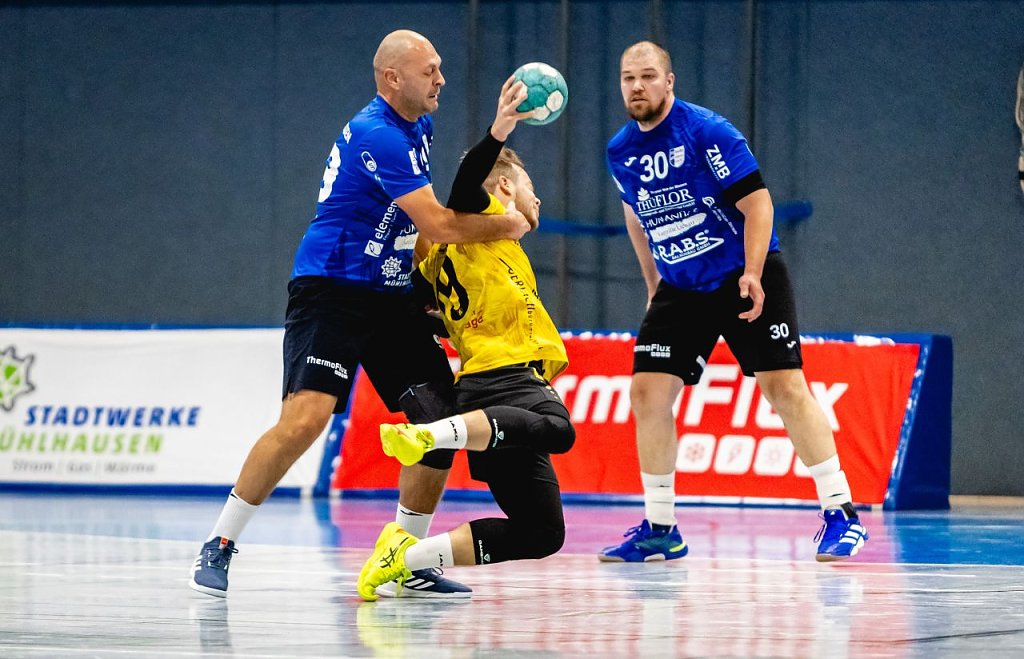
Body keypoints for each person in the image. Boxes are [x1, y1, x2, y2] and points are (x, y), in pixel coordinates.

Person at [188, 29, 534, 599]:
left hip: (390, 296)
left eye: (440, 67)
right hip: (333, 290)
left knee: (438, 422)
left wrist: (426, 284)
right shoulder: (380, 134)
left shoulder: (418, 127)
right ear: (392, 78)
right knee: (305, 419)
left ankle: (405, 560)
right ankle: (219, 542)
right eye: (429, 70)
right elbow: (438, 223)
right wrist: (507, 225)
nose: (441, 79)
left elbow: (410, 226)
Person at [600, 41, 869, 563]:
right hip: (681, 285)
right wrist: (653, 285)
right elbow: (638, 216)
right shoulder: (620, 150)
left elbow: (758, 204)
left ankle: (842, 513)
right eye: (628, 78)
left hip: (742, 272)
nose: (637, 86)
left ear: (669, 81)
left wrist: (752, 271)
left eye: (648, 76)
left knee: (783, 387)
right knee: (647, 393)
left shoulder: (708, 131)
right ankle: (661, 528)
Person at [354, 127, 576, 602]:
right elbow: (465, 186)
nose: (537, 197)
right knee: (560, 430)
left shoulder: (449, 254)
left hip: (488, 394)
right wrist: (499, 131)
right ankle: (432, 434)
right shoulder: (486, 220)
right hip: (505, 375)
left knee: (542, 532)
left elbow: (418, 303)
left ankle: (404, 556)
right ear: (505, 186)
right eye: (530, 185)